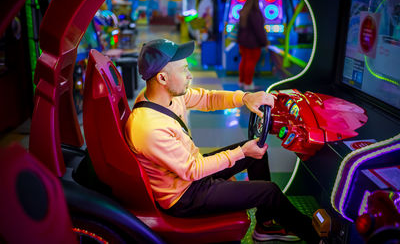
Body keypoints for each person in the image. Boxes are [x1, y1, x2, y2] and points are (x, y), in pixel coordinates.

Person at [125, 39, 319, 243]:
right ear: (162, 78)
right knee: (268, 191)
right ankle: (317, 237)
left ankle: (264, 226)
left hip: (188, 174)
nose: (190, 75)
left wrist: (245, 98)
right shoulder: (149, 127)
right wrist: (242, 152)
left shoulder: (166, 96)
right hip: (184, 196)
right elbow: (192, 170)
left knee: (257, 153)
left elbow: (207, 99)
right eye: (184, 70)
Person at [237, 0, 268, 91]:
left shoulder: (244, 11)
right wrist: (264, 42)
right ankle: (248, 83)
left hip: (243, 42)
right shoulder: (255, 13)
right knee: (251, 63)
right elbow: (259, 30)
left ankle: (242, 82)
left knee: (244, 61)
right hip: (253, 43)